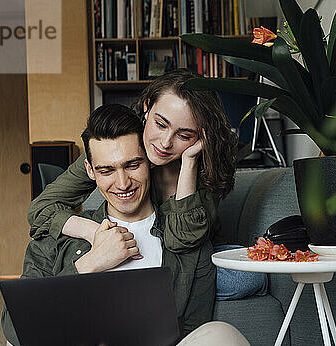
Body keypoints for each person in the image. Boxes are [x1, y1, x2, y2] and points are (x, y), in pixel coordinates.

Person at [0, 104, 254, 346]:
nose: (122, 183)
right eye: (106, 170)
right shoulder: (58, 235)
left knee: (227, 343)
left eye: (132, 165)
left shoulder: (183, 240)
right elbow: (15, 331)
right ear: (90, 171)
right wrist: (89, 263)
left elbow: (189, 338)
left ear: (149, 163)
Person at [28, 68, 267, 300]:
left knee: (247, 276)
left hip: (190, 259)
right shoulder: (117, 146)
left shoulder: (206, 165)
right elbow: (40, 209)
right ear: (147, 107)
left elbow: (181, 241)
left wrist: (190, 161)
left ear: (202, 137)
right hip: (122, 243)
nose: (164, 143)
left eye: (184, 135)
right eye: (160, 124)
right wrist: (96, 233)